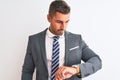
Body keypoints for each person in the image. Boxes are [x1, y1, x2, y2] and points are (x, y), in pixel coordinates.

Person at [21, 0, 102, 80]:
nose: (63, 27)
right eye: (59, 22)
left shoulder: (76, 40)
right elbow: (27, 71)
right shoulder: (34, 41)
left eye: (66, 21)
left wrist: (75, 69)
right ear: (49, 18)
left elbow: (97, 61)